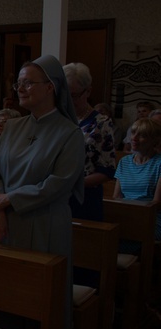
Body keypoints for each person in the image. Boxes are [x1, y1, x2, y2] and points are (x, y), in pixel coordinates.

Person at [0, 55, 84, 329]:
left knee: (40, 301)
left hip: (44, 225)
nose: (20, 89)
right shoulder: (12, 127)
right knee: (1, 294)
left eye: (28, 83)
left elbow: (60, 182)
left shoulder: (69, 133)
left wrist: (10, 199)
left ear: (51, 88)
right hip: (4, 224)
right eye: (19, 83)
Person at [63, 62, 116, 221]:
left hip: (84, 199)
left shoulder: (100, 124)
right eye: (65, 94)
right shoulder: (58, 119)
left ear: (88, 91)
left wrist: (72, 185)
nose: (69, 100)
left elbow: (106, 171)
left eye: (74, 95)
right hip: (55, 197)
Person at [113, 118, 161, 243]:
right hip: (126, 216)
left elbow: (157, 202)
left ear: (154, 140)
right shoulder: (124, 162)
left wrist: (134, 216)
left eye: (142, 135)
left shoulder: (159, 163)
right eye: (133, 133)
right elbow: (117, 196)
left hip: (151, 218)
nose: (134, 138)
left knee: (122, 238)